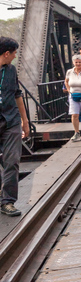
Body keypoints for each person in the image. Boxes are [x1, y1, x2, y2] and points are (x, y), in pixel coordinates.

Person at [0, 37, 31, 216]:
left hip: (10, 120)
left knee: (12, 160)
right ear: (6, 53)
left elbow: (18, 95)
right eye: (14, 53)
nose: (15, 56)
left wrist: (25, 121)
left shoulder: (11, 71)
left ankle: (8, 202)